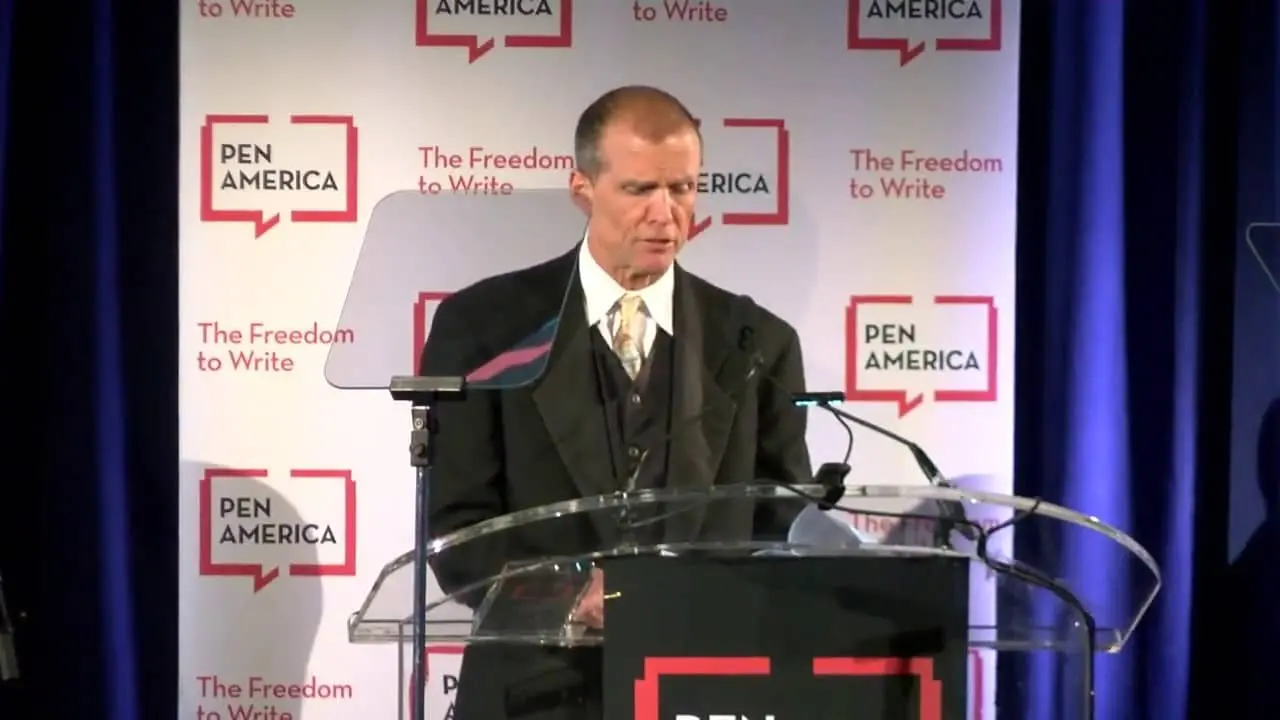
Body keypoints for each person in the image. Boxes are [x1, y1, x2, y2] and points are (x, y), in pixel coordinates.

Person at [420, 85, 813, 720]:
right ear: (583, 190)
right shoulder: (485, 329)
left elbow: (783, 522)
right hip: (533, 693)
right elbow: (458, 529)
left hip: (703, 691)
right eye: (640, 190)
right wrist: (570, 596)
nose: (666, 214)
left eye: (682, 189)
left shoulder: (757, 342)